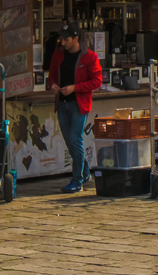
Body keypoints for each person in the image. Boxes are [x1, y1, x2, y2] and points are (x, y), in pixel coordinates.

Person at [47, 20, 103, 194]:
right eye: (61, 38)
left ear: (76, 38)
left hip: (79, 104)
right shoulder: (58, 54)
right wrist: (54, 85)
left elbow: (97, 81)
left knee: (74, 139)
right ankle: (85, 173)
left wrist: (75, 88)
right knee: (70, 142)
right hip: (62, 104)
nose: (62, 42)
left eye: (66, 39)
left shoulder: (90, 56)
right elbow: (52, 75)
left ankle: (77, 180)